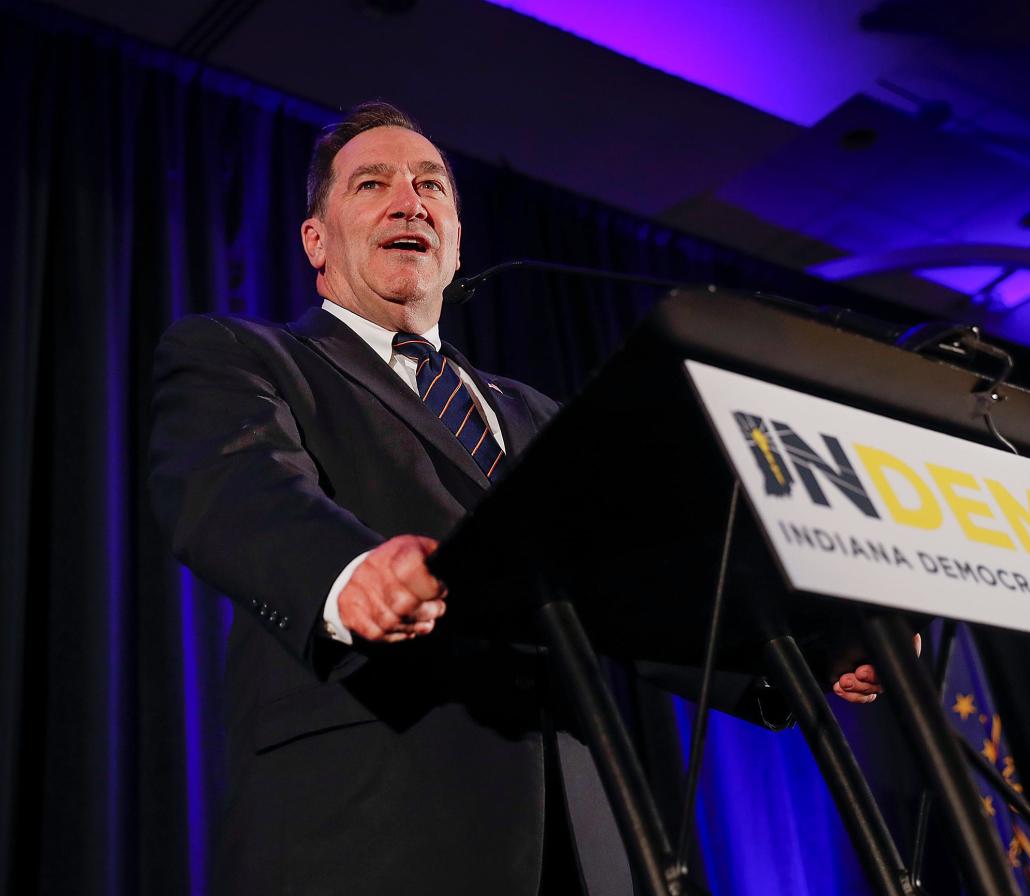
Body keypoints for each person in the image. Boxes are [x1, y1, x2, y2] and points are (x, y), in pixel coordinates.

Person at [149, 101, 888, 895]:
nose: (410, 201)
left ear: (457, 239)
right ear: (316, 240)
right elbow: (236, 483)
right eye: (373, 184)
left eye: (432, 185)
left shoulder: (537, 414)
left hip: (577, 833)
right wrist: (347, 571)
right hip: (371, 824)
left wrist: (813, 649)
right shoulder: (246, 357)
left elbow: (642, 578)